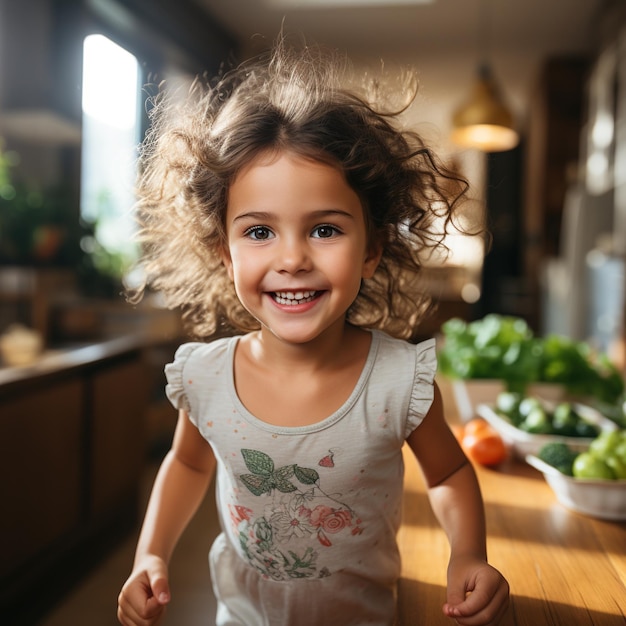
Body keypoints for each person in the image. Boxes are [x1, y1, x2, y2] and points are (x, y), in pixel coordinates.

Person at [117, 35, 510, 626]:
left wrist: (468, 554)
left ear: (372, 249)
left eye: (325, 230)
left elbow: (451, 472)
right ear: (225, 254)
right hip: (240, 616)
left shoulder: (398, 381)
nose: (293, 258)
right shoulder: (205, 377)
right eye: (258, 232)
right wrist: (152, 552)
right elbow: (189, 464)